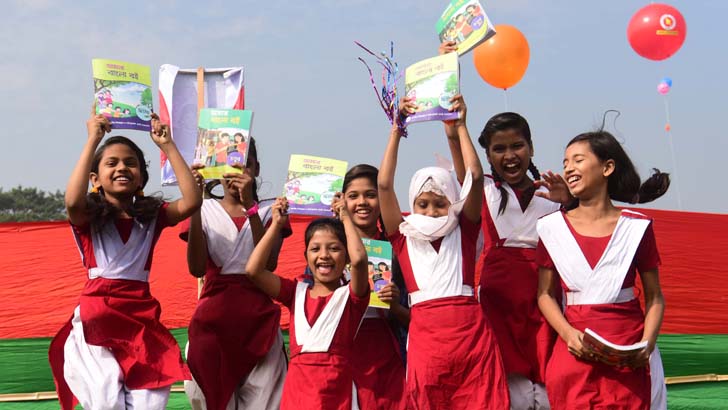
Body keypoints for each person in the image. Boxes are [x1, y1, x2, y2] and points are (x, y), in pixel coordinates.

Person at [48, 107, 202, 410]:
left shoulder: (152, 217)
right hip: (97, 318)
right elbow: (72, 201)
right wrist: (93, 139)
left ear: (141, 177)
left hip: (140, 320)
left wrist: (167, 145)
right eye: (112, 163)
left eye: (131, 163)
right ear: (95, 178)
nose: (122, 168)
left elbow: (192, 201)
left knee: (149, 401)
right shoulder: (88, 219)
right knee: (106, 400)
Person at [378, 96, 509, 409]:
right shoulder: (402, 236)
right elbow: (383, 185)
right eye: (422, 204)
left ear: (453, 202)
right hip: (427, 343)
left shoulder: (464, 230)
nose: (431, 211)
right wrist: (397, 130)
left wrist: (461, 126)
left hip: (472, 340)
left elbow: (474, 177)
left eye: (440, 203)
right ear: (412, 205)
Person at [445, 109, 571, 409]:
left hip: (545, 305)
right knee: (510, 394)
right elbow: (465, 166)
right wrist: (456, 126)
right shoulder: (484, 189)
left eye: (517, 146)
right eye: (499, 149)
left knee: (551, 390)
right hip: (498, 309)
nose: (510, 156)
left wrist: (571, 202)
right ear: (487, 156)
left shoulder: (554, 194)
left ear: (531, 148)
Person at [536, 130, 669, 409]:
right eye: (565, 162)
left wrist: (647, 344)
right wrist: (568, 334)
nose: (568, 168)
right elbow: (544, 295)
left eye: (578, 160)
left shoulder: (636, 227)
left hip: (629, 355)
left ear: (607, 167)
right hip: (574, 354)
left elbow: (655, 296)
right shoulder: (551, 227)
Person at [181, 137, 290, 410]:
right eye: (228, 165)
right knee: (213, 399)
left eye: (245, 165)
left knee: (264, 401)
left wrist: (251, 207)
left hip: (259, 323)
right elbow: (196, 268)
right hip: (212, 323)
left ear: (256, 168)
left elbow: (267, 265)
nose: (237, 173)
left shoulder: (271, 211)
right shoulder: (204, 209)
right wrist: (195, 205)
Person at [245, 197, 370, 410]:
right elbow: (253, 270)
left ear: (347, 256)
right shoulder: (296, 292)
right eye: (315, 249)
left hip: (336, 398)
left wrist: (346, 218)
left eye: (334, 248)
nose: (324, 255)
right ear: (306, 256)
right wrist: (276, 225)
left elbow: (359, 260)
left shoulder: (352, 297)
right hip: (297, 397)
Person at [340, 164, 407, 409]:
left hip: (386, 352)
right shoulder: (329, 250)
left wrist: (395, 306)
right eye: (353, 196)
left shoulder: (399, 250)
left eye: (370, 195)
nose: (362, 202)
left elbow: (416, 319)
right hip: (342, 350)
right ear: (342, 200)